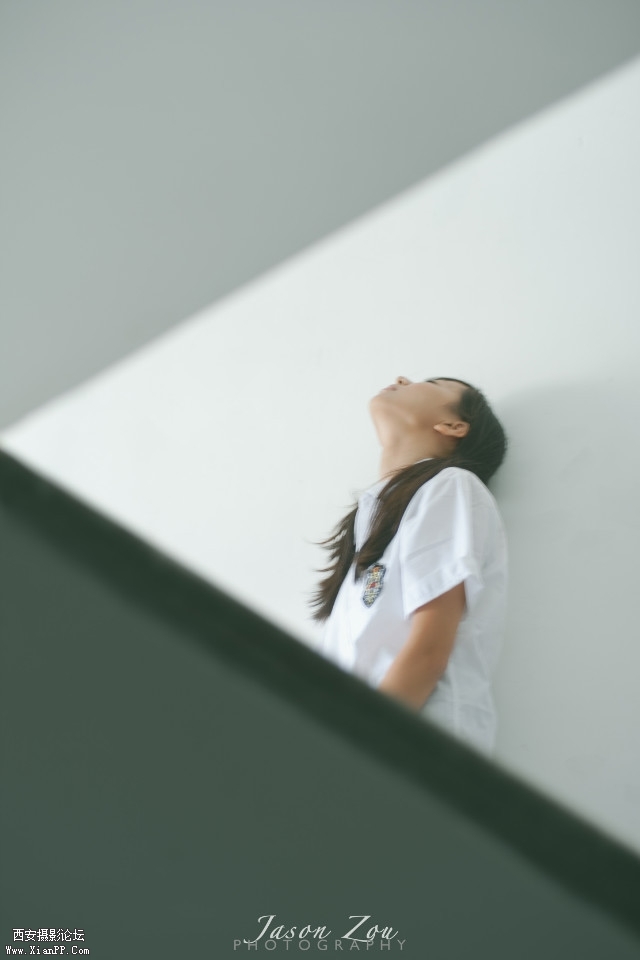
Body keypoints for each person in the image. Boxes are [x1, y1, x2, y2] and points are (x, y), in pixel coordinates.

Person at [310, 375, 508, 758]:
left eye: (433, 382)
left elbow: (429, 650)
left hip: (410, 746)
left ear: (453, 426)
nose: (402, 379)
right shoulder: (370, 519)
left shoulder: (450, 485)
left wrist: (349, 749)